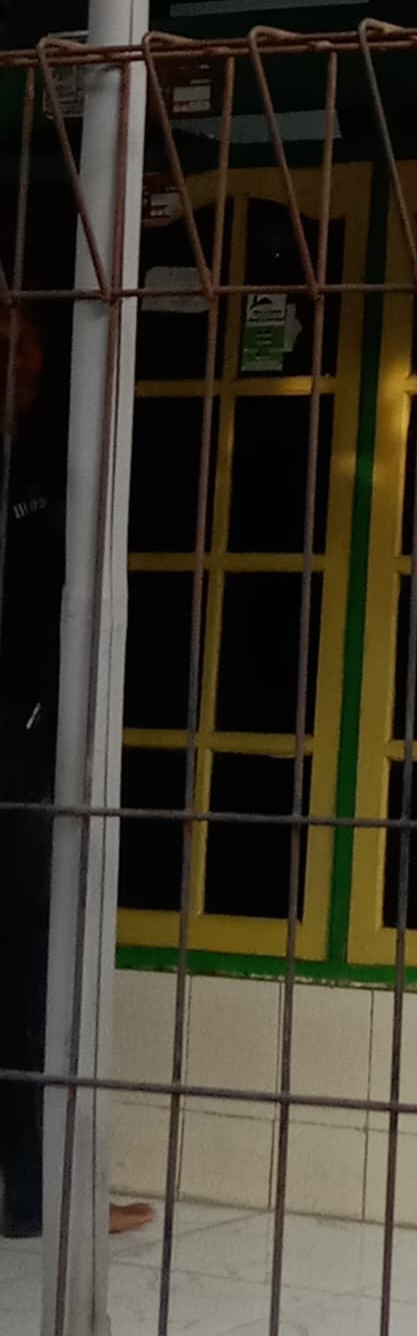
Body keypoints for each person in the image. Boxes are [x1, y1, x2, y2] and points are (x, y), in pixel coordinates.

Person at [0, 298, 152, 1241]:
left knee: (34, 966)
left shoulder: (56, 460)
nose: (13, 360)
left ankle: (37, 1190)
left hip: (30, 743)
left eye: (22, 343)